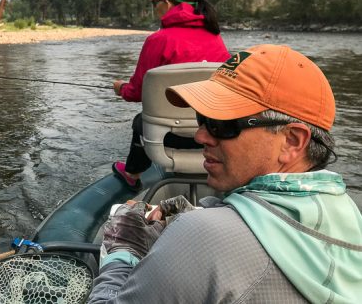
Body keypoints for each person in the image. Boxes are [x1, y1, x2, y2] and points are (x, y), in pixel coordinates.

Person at [89, 44, 362, 303]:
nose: (200, 135)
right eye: (202, 119)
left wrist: (124, 249)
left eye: (222, 124)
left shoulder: (202, 236)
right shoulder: (348, 213)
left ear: (291, 141)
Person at [112, 0, 229, 190]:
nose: (154, 7)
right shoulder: (215, 37)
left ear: (166, 4)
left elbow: (137, 92)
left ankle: (132, 173)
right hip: (212, 134)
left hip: (169, 138)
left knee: (140, 121)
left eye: (154, 2)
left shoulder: (158, 40)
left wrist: (120, 88)